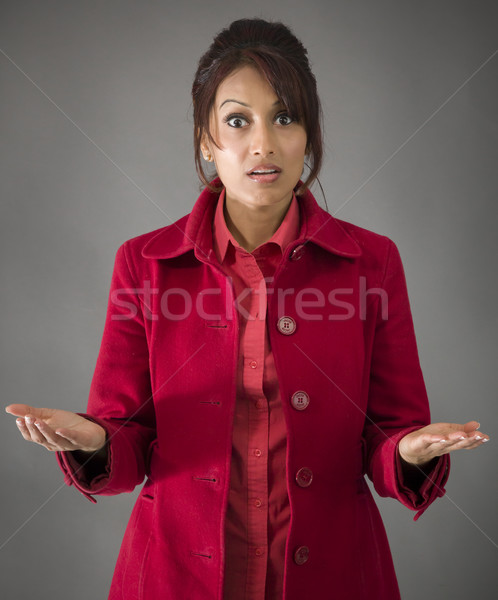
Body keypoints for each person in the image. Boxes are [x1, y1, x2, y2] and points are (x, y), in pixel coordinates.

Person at [5, 18, 489, 600]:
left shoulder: (373, 263)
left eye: (285, 117)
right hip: (174, 575)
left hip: (334, 574)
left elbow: (390, 436)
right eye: (237, 121)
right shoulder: (143, 263)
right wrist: (91, 438)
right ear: (206, 142)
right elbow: (129, 442)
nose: (263, 143)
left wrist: (408, 450)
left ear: (309, 135)